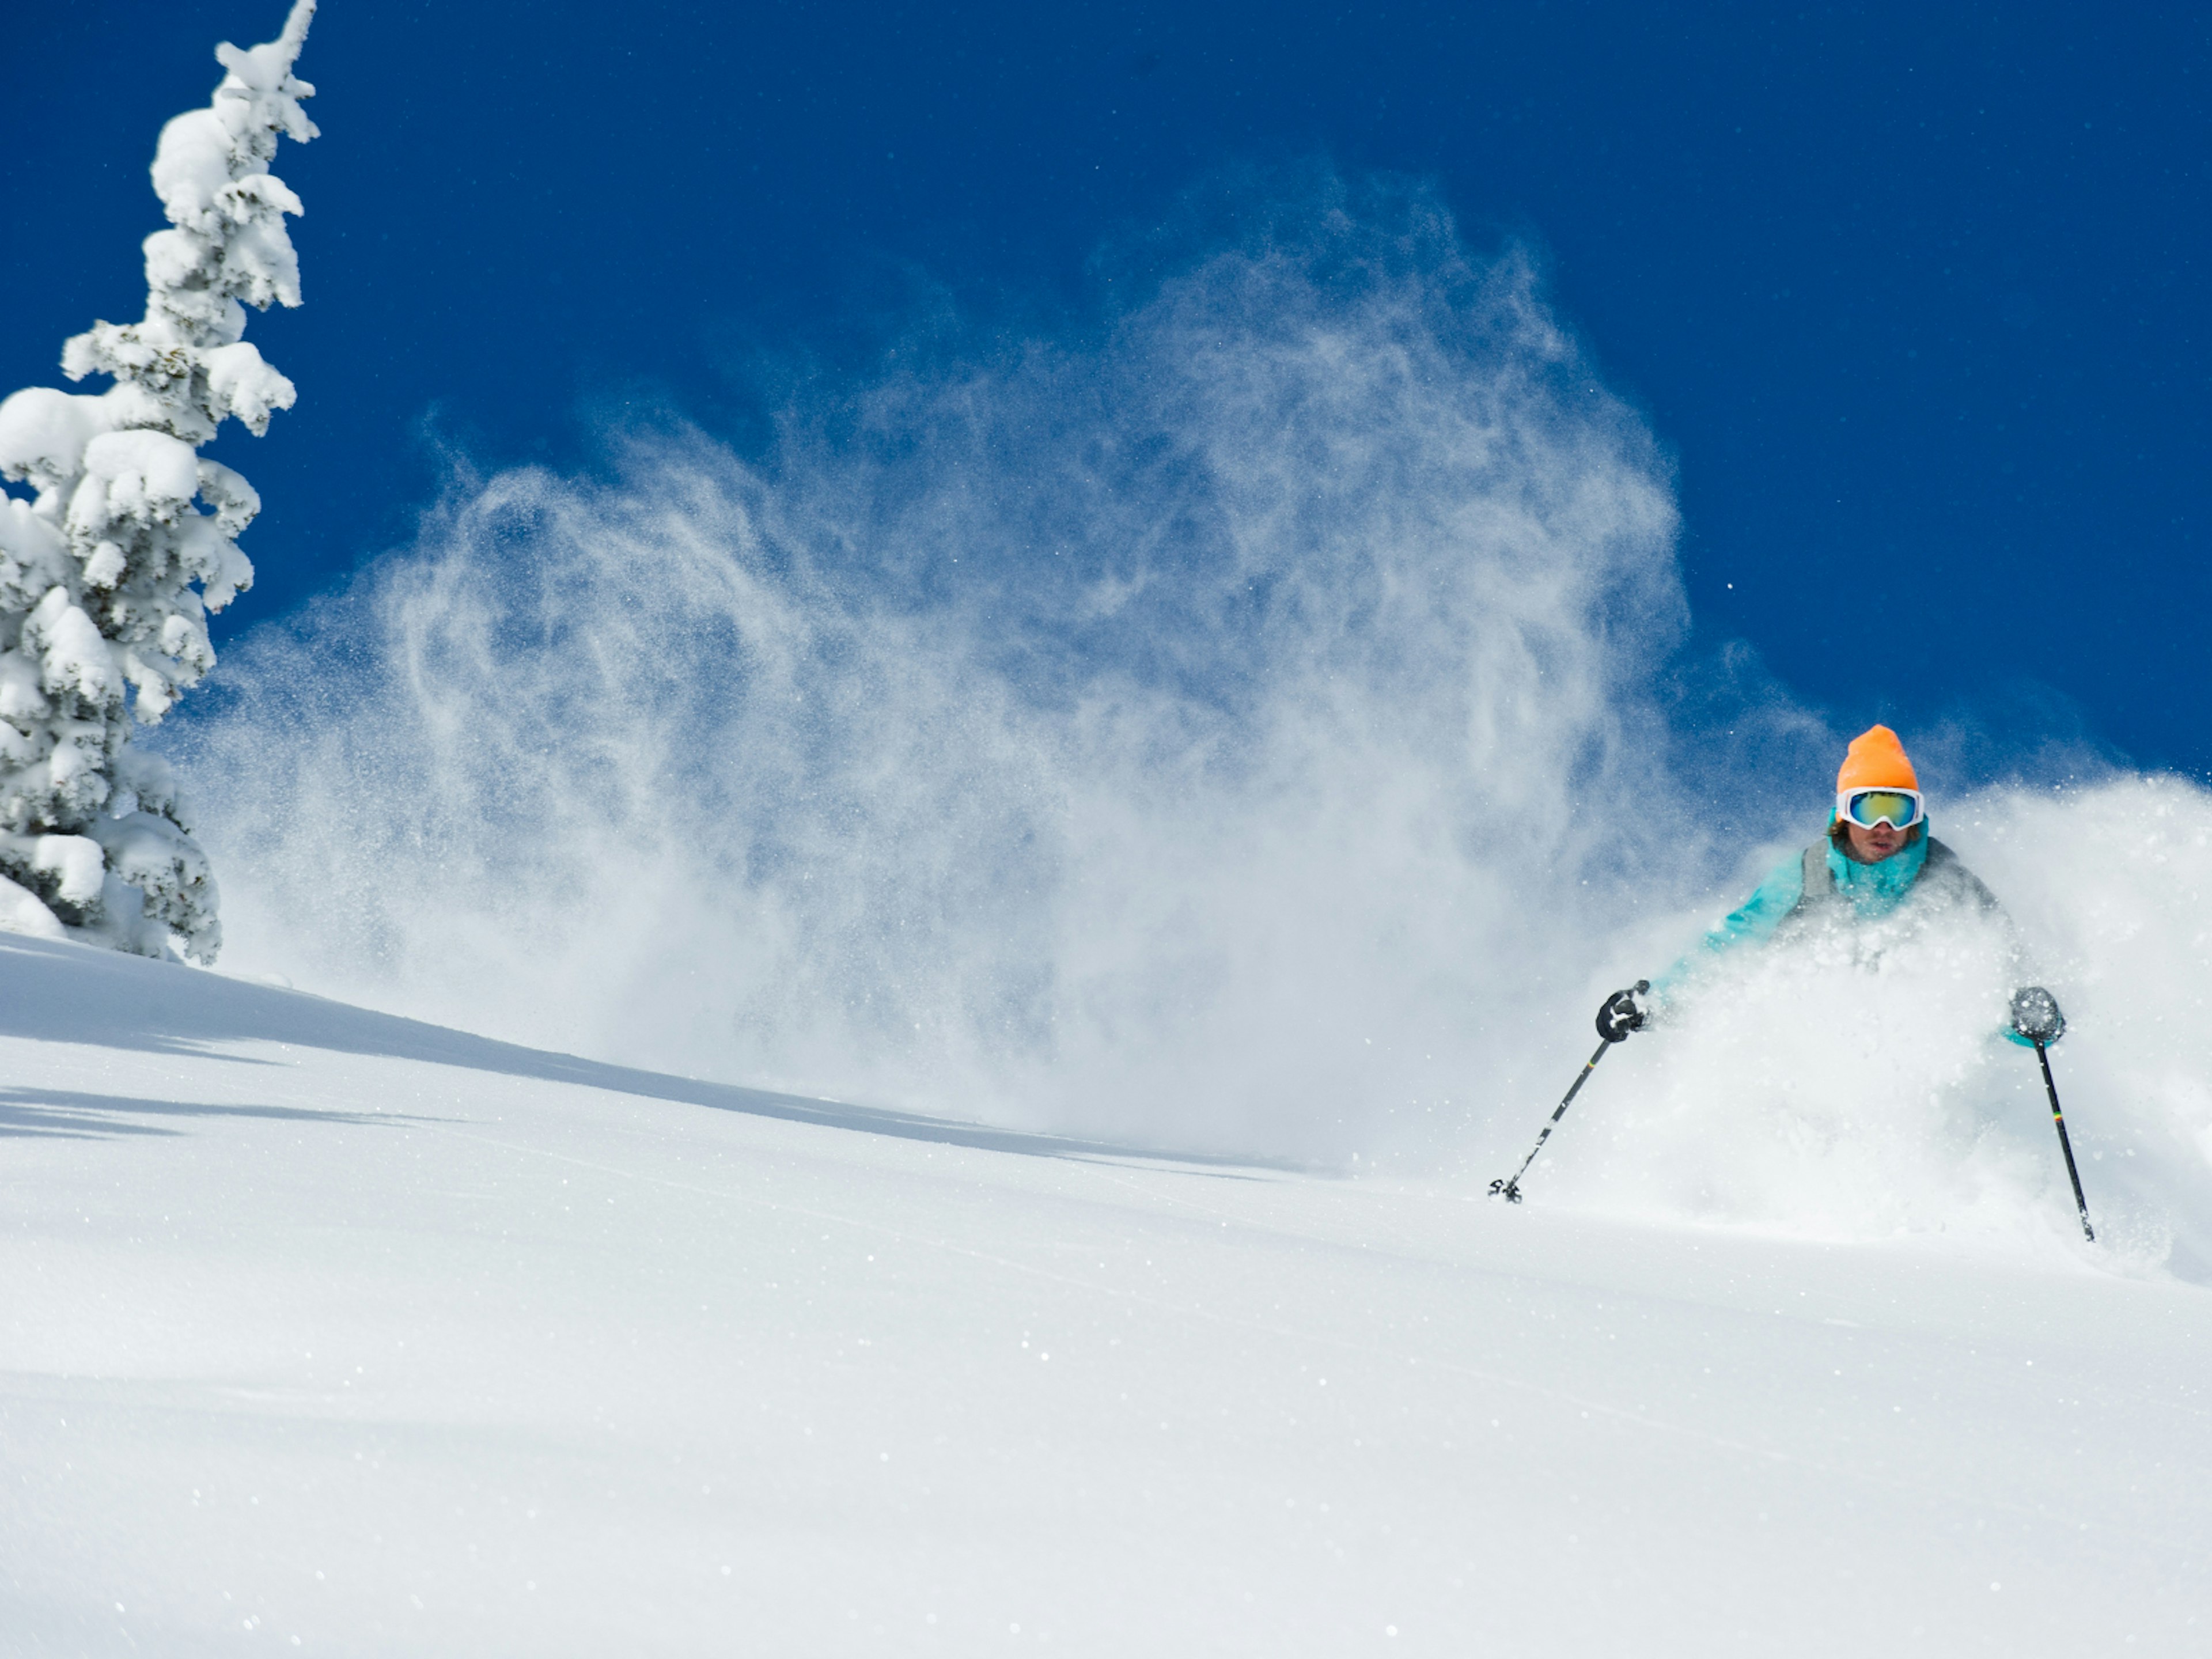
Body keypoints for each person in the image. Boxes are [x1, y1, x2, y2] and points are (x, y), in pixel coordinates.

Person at [1593, 724, 2062, 1047]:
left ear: (1916, 817)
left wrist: (2032, 1017)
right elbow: (1730, 945)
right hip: (1811, 1053)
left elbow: (2004, 961)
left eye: (1898, 811)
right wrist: (1654, 1005)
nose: (1883, 826)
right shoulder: (1807, 875)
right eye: (1867, 809)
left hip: (1917, 1056)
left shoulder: (1947, 881)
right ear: (1843, 813)